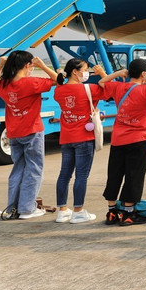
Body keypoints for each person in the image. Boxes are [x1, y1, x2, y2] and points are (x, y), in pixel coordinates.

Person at [99, 59, 146, 225]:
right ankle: (128, 213)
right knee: (134, 175)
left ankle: (112, 212)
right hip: (138, 139)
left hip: (118, 138)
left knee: (114, 174)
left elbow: (102, 82)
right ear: (144, 73)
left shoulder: (118, 87)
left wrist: (117, 74)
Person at [0, 52, 58, 219]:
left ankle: (12, 208)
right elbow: (59, 80)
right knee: (34, 169)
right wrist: (43, 66)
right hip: (32, 131)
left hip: (14, 133)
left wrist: (0, 65)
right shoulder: (31, 82)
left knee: (18, 170)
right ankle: (27, 208)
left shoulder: (5, 84)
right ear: (27, 65)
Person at [53, 59, 107, 224]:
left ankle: (62, 210)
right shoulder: (89, 88)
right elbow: (109, 90)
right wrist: (102, 74)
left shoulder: (59, 90)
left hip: (67, 137)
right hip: (84, 137)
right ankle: (78, 211)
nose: (87, 73)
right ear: (75, 71)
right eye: (85, 69)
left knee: (64, 174)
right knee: (81, 176)